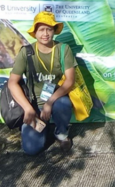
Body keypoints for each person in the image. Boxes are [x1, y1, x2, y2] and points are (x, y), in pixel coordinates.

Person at [7, 12, 76, 155]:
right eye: (41, 30)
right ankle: (42, 127)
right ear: (35, 32)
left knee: (64, 104)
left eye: (49, 29)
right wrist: (28, 108)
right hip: (33, 104)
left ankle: (61, 133)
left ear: (54, 31)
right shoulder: (26, 52)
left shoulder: (63, 49)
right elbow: (12, 83)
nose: (45, 34)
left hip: (56, 99)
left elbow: (69, 81)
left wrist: (49, 103)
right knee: (31, 149)